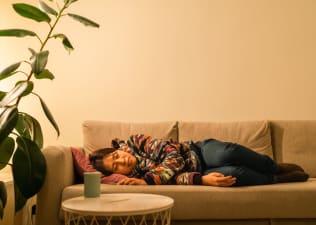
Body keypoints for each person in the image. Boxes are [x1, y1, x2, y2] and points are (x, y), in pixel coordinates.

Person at [89, 134, 309, 186]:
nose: (122, 162)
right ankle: (275, 179)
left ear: (116, 150)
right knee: (232, 175)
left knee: (227, 154)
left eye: (116, 156)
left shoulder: (136, 141)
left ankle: (272, 166)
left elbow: (172, 155)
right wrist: (201, 180)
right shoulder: (137, 178)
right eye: (116, 166)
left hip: (198, 152)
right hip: (198, 171)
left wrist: (151, 179)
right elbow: (175, 181)